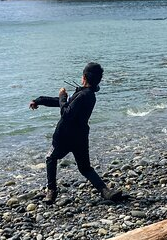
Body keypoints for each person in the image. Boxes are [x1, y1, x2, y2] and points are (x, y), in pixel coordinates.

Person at [29, 62, 120, 205]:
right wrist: (39, 100)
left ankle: (51, 191)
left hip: (64, 137)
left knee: (50, 158)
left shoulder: (83, 95)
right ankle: (105, 191)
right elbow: (62, 103)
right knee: (85, 168)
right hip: (80, 138)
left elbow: (66, 112)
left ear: (84, 77)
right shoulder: (87, 94)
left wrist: (62, 97)